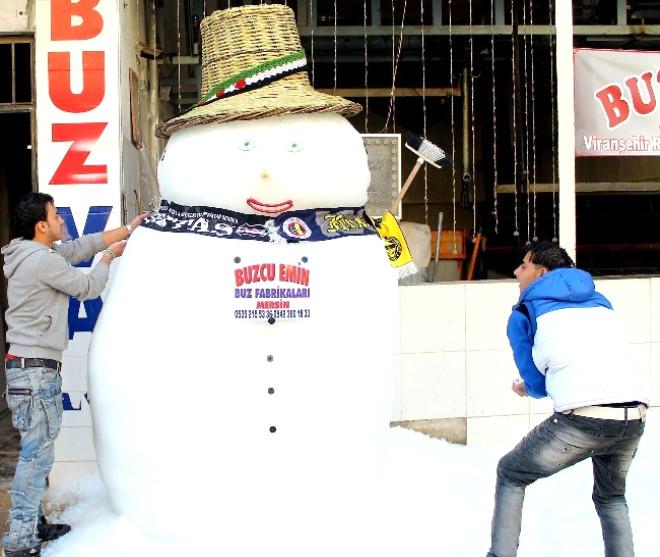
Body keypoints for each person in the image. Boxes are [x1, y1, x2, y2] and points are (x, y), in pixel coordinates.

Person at [1, 192, 146, 557]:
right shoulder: (40, 262)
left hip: (28, 369)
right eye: (56, 216)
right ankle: (20, 539)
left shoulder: (35, 255)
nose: (63, 220)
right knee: (36, 458)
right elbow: (88, 287)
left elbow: (79, 248)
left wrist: (127, 230)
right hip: (34, 374)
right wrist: (111, 257)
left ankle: (32, 524)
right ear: (41, 226)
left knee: (35, 455)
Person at [487, 241, 650, 557]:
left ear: (541, 272)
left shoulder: (525, 311)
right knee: (611, 498)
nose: (516, 272)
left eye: (523, 265)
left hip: (583, 418)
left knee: (511, 472)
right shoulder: (600, 301)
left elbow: (536, 382)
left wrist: (527, 388)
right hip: (633, 414)